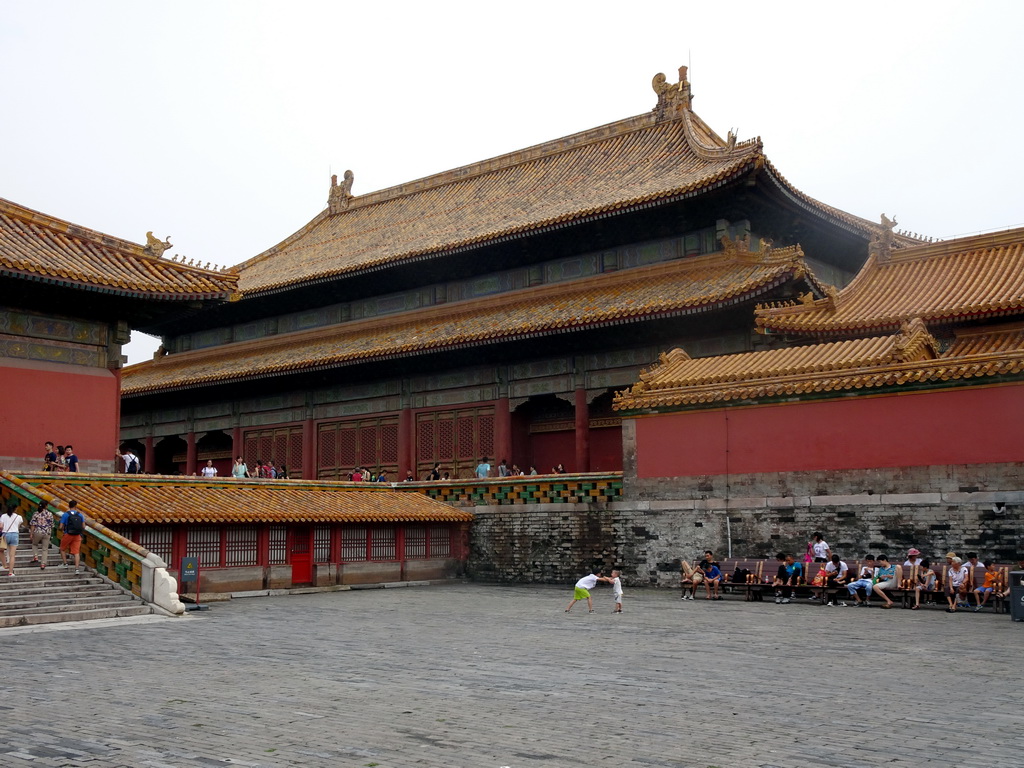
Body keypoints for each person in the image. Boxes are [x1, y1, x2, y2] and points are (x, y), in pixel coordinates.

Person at [59, 500, 86, 573]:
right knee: (76, 552)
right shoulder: (80, 515)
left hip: (68, 534)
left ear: (69, 506)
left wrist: (62, 530)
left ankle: (65, 563)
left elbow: (61, 526)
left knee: (62, 549)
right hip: (77, 535)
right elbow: (83, 526)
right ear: (76, 506)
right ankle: (77, 569)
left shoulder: (65, 514)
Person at [0, 504, 25, 576]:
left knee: (1, 550)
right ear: (16, 509)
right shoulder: (19, 517)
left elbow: (1, 526)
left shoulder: (3, 516)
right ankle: (10, 572)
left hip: (5, 535)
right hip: (14, 535)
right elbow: (18, 526)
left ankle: (5, 565)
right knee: (12, 555)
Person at [29, 499, 53, 569]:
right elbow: (52, 524)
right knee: (45, 549)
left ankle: (36, 556)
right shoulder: (50, 514)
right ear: (46, 506)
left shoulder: (36, 514)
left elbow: (33, 524)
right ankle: (43, 564)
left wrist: (31, 533)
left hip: (38, 531)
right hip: (47, 532)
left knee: (34, 544)